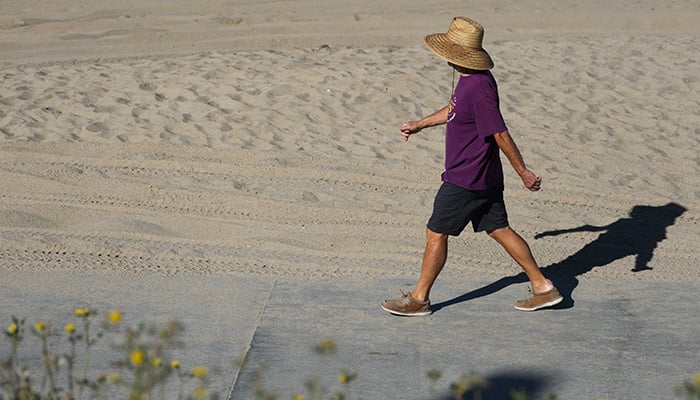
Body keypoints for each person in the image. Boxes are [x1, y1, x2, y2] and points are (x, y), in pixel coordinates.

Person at [381, 16, 562, 316]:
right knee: (499, 229)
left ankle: (419, 299)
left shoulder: (478, 87)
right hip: (485, 176)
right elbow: (454, 110)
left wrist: (523, 172)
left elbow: (500, 133)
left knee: (436, 232)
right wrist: (420, 124)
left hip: (467, 177)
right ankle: (543, 287)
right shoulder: (472, 81)